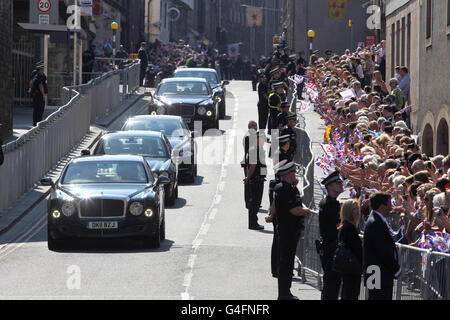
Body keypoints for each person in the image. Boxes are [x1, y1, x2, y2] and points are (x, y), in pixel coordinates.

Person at [274, 161, 313, 300]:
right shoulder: (283, 189)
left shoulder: (289, 187)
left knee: (288, 262)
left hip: (291, 230)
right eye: (293, 173)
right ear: (288, 174)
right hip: (287, 231)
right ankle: (284, 293)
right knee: (286, 263)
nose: (295, 175)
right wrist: (306, 211)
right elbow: (294, 210)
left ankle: (286, 292)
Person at [363, 192, 401, 300]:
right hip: (377, 272)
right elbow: (382, 251)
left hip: (377, 272)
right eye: (389, 204)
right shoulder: (376, 222)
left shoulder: (376, 220)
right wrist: (396, 269)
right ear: (382, 205)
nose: (391, 207)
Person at [318, 171, 344, 300]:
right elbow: (337, 226)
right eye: (338, 183)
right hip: (331, 247)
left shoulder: (330, 202)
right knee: (332, 283)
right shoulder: (330, 204)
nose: (341, 184)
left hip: (329, 247)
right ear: (329, 186)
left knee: (331, 283)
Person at [337, 199, 363, 300]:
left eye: (357, 208)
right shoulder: (348, 228)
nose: (357, 211)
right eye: (354, 209)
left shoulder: (351, 227)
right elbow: (355, 248)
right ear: (348, 211)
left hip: (351, 267)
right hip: (351, 267)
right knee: (350, 293)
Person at [243, 131, 267, 231]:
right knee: (254, 203)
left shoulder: (258, 149)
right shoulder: (254, 150)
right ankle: (252, 223)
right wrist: (248, 178)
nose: (263, 141)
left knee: (256, 202)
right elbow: (252, 166)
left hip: (259, 179)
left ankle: (254, 221)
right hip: (255, 180)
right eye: (261, 139)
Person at [242, 121, 258, 210]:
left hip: (249, 161)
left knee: (249, 181)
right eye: (254, 126)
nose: (256, 127)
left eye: (256, 126)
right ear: (250, 127)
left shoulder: (250, 135)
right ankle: (249, 201)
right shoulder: (249, 136)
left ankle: (250, 201)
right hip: (249, 162)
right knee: (248, 181)